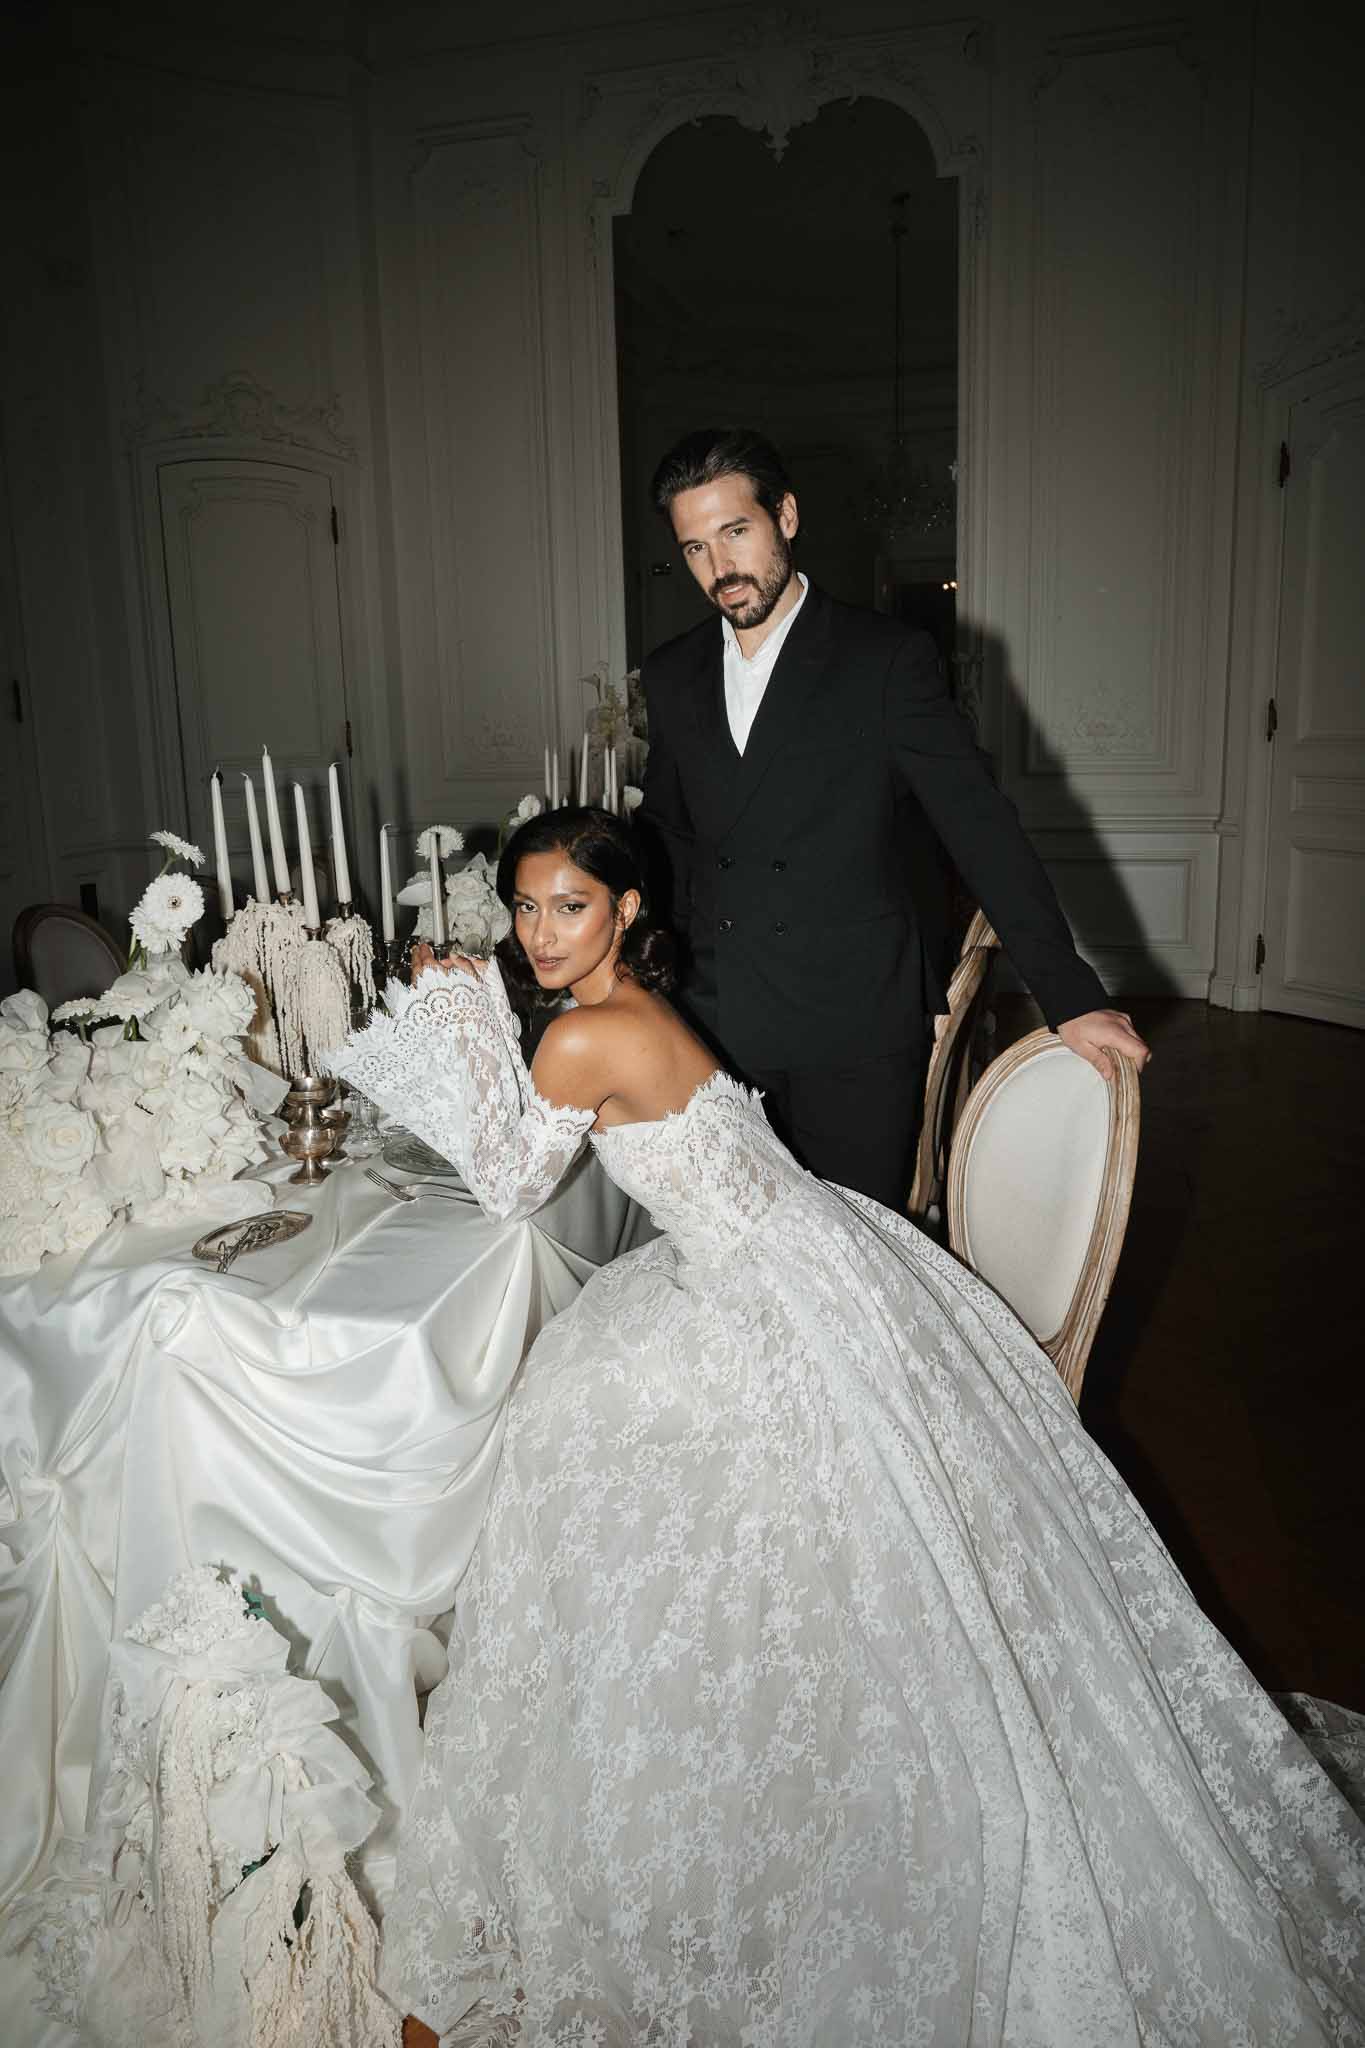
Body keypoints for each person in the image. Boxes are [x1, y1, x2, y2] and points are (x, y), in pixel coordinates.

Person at [334, 806, 1364, 2048]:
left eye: (570, 906)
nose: (541, 933)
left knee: (581, 1445)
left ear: (627, 912)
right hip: (819, 1249)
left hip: (753, 1286)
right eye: (524, 907)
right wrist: (492, 1025)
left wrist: (455, 1023)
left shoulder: (590, 1030)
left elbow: (509, 1185)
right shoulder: (632, 1010)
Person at [638, 427, 1151, 1208]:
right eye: (695, 548)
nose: (720, 570)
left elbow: (979, 828)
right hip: (714, 1018)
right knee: (735, 1244)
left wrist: (1069, 993)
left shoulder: (883, 660)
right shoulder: (673, 673)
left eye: (734, 532)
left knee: (853, 1252)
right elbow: (668, 837)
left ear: (785, 516)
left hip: (849, 1021)